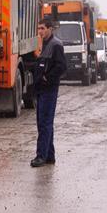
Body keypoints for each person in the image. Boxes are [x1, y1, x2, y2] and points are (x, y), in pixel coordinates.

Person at [31, 18, 67, 167]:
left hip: (49, 90)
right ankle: (49, 156)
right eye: (39, 28)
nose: (40, 31)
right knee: (44, 123)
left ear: (50, 29)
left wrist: (47, 78)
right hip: (41, 89)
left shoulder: (56, 45)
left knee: (45, 123)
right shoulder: (42, 44)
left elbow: (62, 67)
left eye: (43, 28)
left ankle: (41, 156)